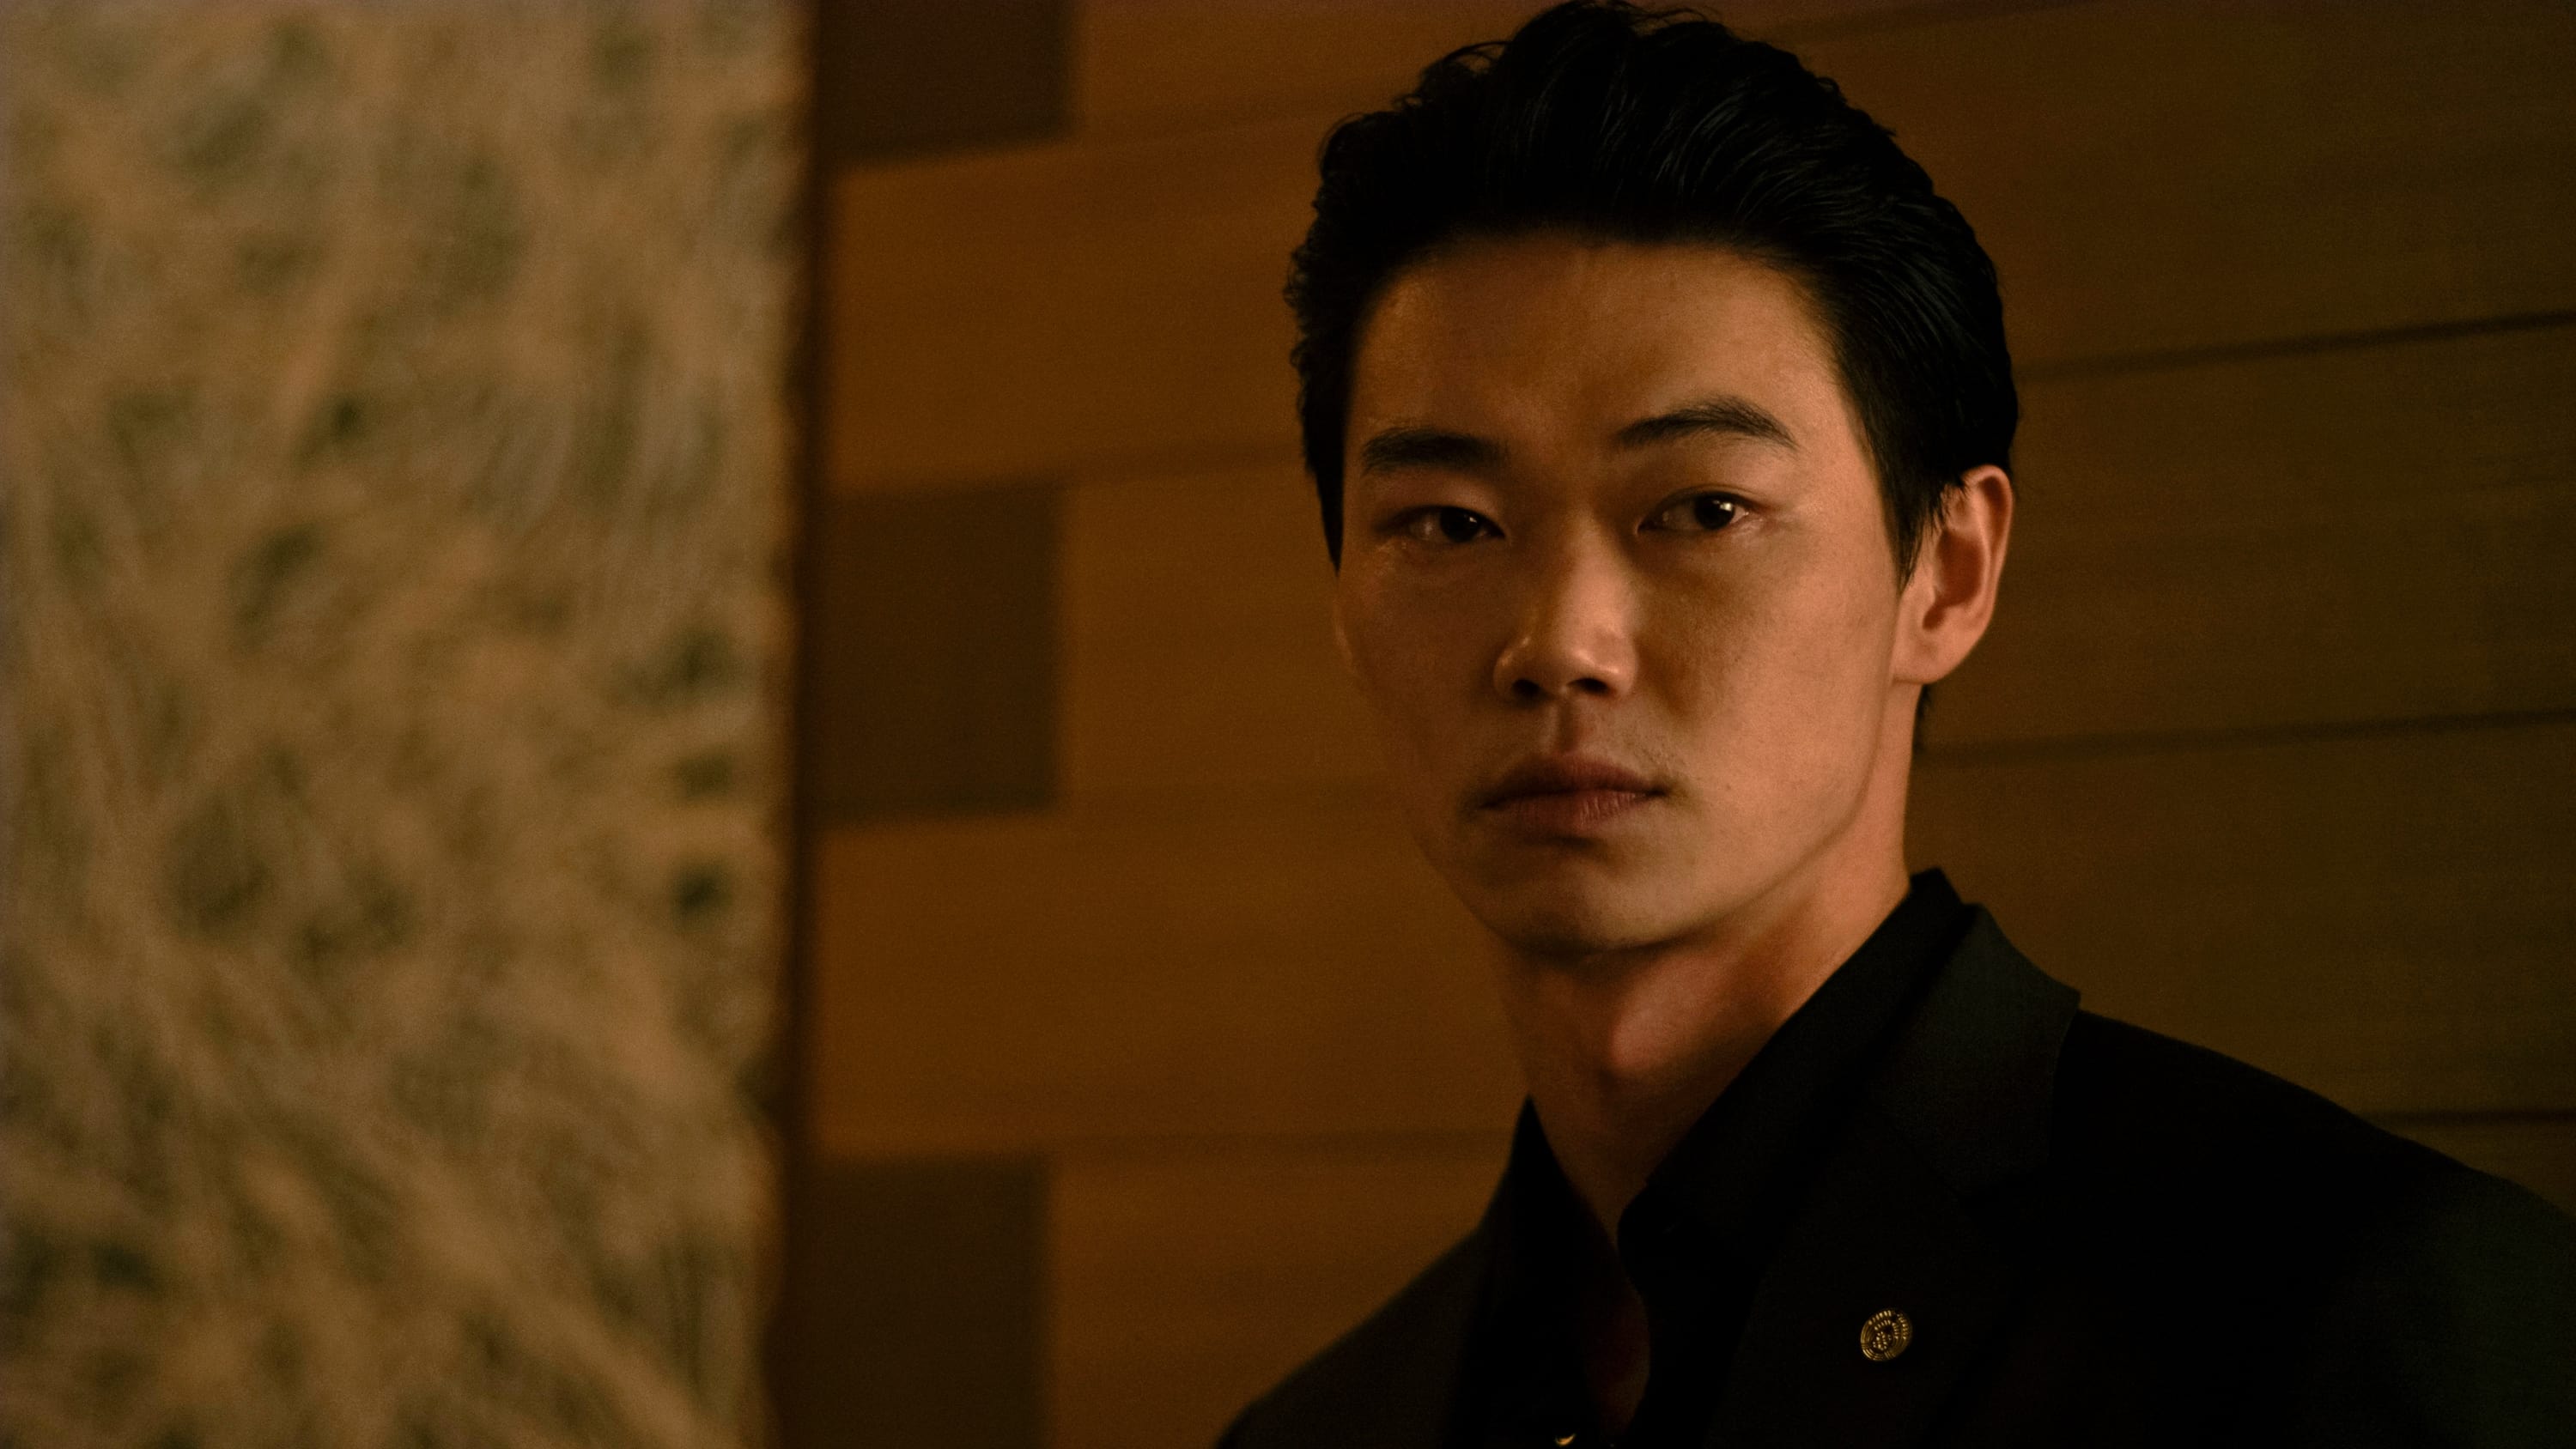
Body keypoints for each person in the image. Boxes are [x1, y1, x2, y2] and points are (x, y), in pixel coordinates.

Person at [1217, 4, 2576, 1446]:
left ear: (1949, 574)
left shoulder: (2349, 1314)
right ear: (1342, 603)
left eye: (1703, 510)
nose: (1560, 643)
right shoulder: (1330, 1426)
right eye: (1448, 523)